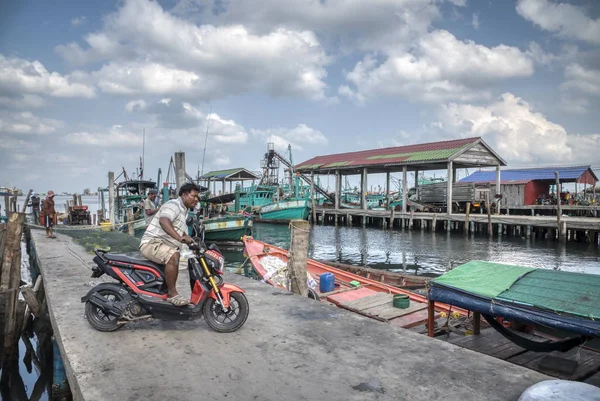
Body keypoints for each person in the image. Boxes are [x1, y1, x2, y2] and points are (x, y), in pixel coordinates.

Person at [139, 183, 199, 306]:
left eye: (197, 197)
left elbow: (178, 227)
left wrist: (189, 241)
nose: (196, 199)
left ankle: (164, 292)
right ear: (184, 195)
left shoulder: (183, 210)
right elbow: (164, 220)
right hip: (152, 243)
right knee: (174, 256)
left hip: (160, 244)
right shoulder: (173, 205)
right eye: (194, 196)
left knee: (178, 255)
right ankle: (172, 294)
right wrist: (180, 238)